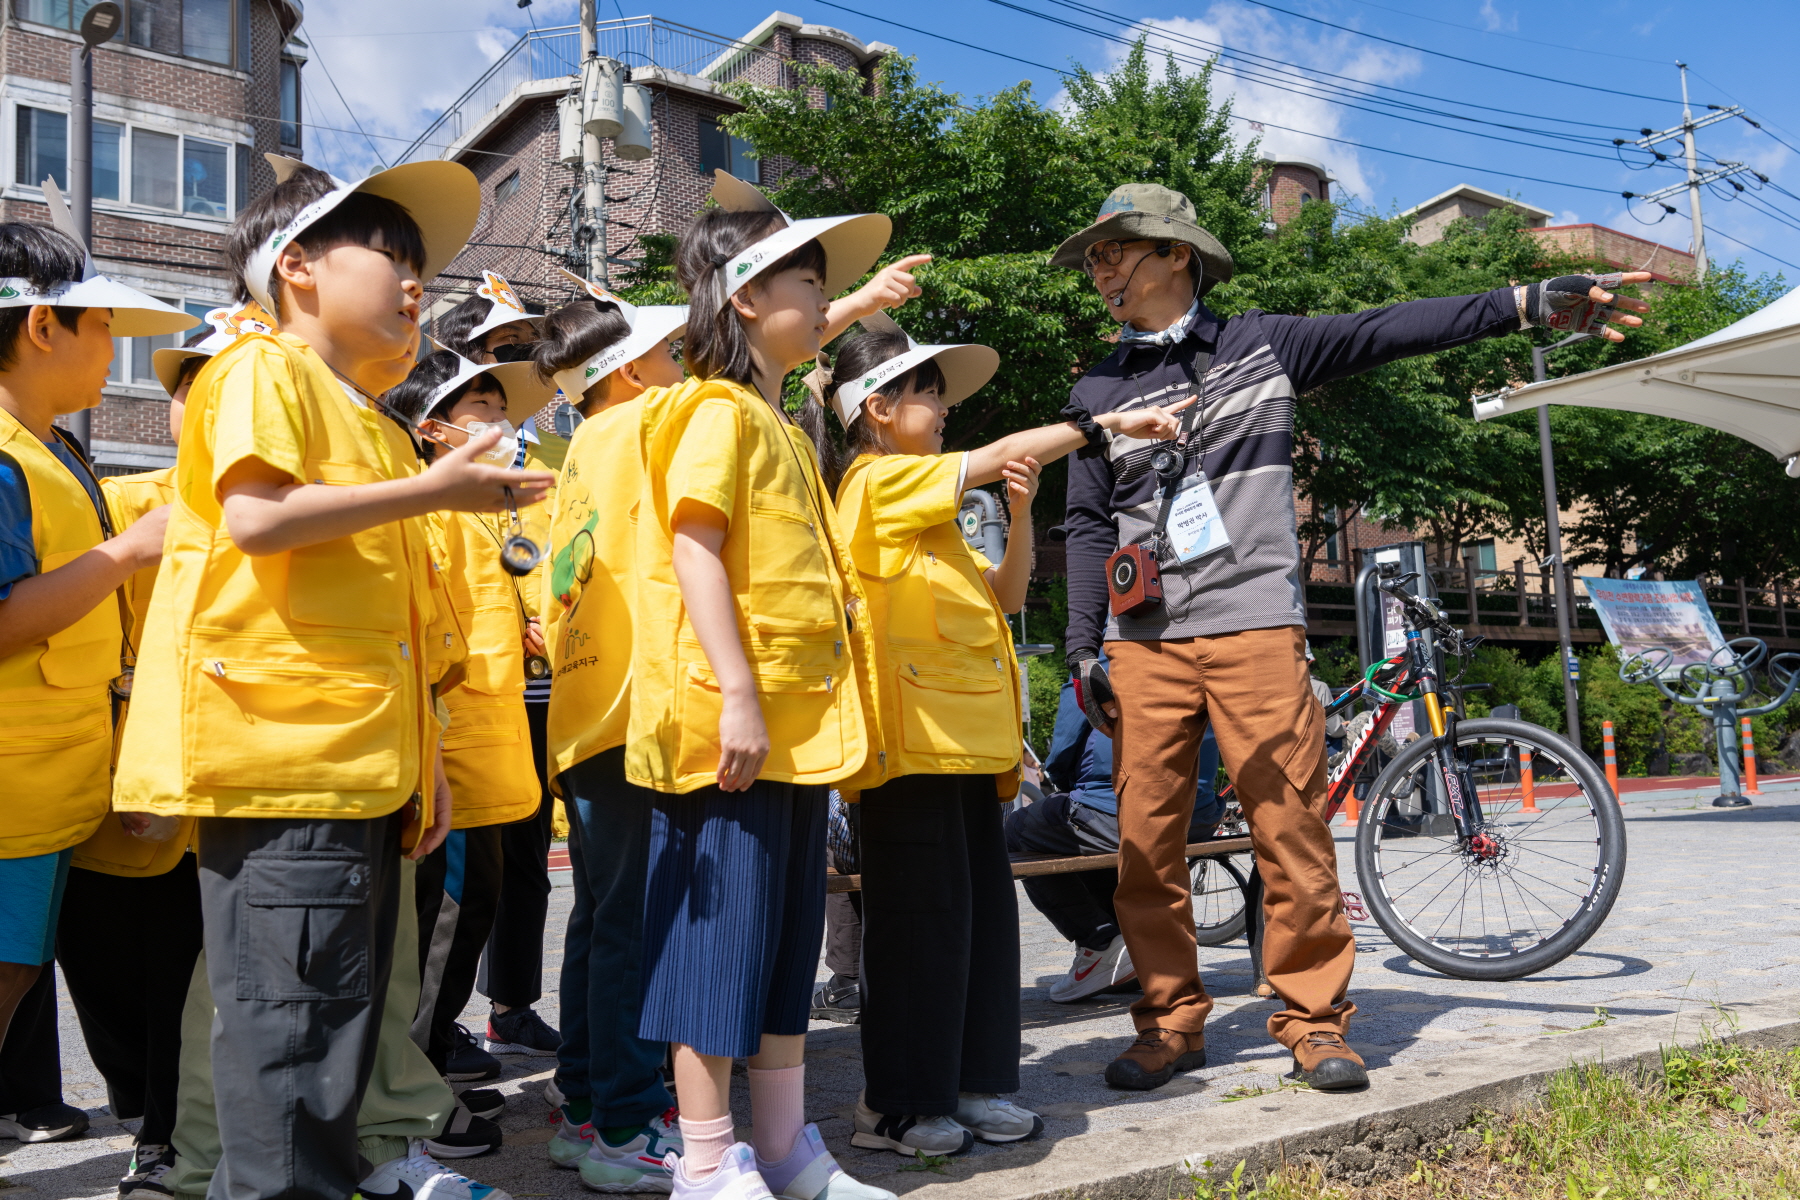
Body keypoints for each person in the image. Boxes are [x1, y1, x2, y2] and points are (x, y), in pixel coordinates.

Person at [1053, 182, 1653, 1092]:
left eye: (1115, 250)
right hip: (1147, 644)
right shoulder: (1096, 389)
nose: (1099, 270)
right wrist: (1084, 649)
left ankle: (1314, 1021)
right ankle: (1170, 1021)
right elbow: (1088, 525)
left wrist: (1523, 304)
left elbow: (1391, 326)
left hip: (1256, 626)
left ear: (1177, 253)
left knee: (1289, 831)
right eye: (1092, 257)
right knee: (1145, 845)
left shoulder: (1263, 343)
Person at [110, 155, 552, 1200]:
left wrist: (424, 762)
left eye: (422, 266)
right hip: (287, 770)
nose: (414, 282)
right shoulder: (262, 369)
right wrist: (435, 492)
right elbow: (257, 519)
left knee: (328, 1044)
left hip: (352, 767)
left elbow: (390, 627)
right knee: (293, 1049)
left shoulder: (360, 412)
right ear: (295, 265)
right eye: (392, 255)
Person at [806, 311, 1192, 1157]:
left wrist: (1020, 514)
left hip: (969, 752)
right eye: (927, 394)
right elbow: (982, 457)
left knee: (978, 924)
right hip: (906, 753)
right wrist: (1104, 424)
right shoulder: (875, 486)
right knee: (916, 930)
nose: (943, 411)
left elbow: (1007, 596)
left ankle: (975, 1088)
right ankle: (897, 1105)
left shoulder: (930, 510)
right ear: (877, 408)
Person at [625, 172, 901, 1200]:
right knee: (714, 947)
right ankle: (705, 1164)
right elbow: (696, 549)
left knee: (784, 947)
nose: (825, 301)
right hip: (728, 733)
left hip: (796, 736)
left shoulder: (788, 425)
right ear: (745, 296)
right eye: (808, 280)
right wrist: (736, 692)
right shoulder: (716, 411)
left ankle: (785, 1151)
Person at [56, 308, 250, 1199]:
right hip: (113, 771)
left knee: (190, 981)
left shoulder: (271, 508)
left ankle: (172, 1135)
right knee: (98, 967)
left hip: (227, 784)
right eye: (188, 387)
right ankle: (144, 1109)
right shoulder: (125, 501)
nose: (203, 402)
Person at [0, 215, 193, 1069]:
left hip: (47, 790)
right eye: (103, 325)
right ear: (43, 326)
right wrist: (127, 553)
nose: (113, 348)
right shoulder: (6, 457)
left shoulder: (53, 450)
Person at [532, 272, 692, 1191]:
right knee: (634, 925)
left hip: (586, 718)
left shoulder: (580, 450)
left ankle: (588, 1104)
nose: (679, 370)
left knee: (601, 921)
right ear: (629, 371)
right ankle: (628, 1126)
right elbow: (743, 376)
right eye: (667, 356)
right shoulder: (642, 423)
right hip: (635, 709)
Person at [390, 350, 555, 1123]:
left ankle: (430, 1066)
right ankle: (415, 1092)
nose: (498, 419)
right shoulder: (422, 511)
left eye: (499, 405)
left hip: (491, 745)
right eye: (478, 406)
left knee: (474, 905)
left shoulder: (485, 510)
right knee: (440, 921)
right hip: (450, 748)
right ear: (430, 429)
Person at [1007, 666, 1222, 1003]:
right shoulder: (1198, 660)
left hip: (1124, 810)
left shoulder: (1101, 664)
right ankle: (1126, 947)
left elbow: (1062, 751)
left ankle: (1100, 941)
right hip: (1199, 815)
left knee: (1021, 829)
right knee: (1085, 825)